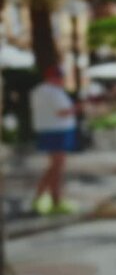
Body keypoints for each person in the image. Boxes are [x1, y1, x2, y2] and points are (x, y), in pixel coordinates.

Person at [30, 65, 80, 215]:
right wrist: (78, 108)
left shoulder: (38, 90)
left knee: (54, 166)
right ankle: (55, 200)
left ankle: (42, 197)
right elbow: (63, 111)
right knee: (57, 167)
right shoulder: (53, 91)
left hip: (48, 130)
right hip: (58, 131)